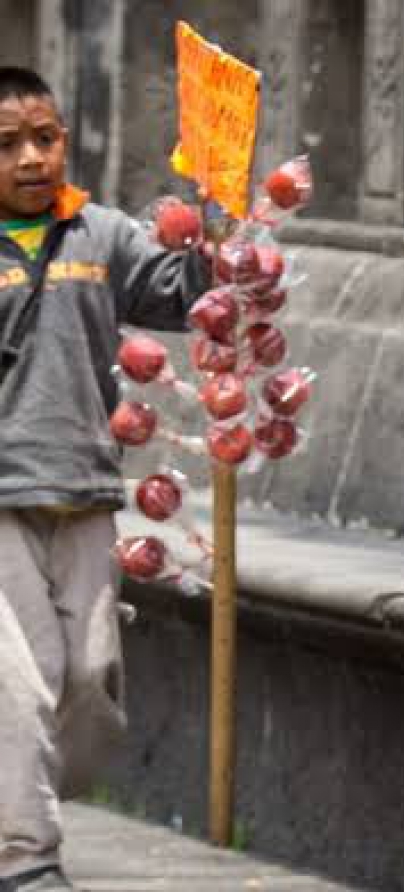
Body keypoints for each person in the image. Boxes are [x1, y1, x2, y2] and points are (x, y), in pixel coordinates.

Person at [0, 67, 209, 892]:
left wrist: (222, 245)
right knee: (26, 679)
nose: (31, 158)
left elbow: (181, 296)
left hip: (86, 492)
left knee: (88, 685)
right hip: (1, 502)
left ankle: (21, 797)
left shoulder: (102, 234)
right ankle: (26, 856)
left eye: (45, 138)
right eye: (8, 144)